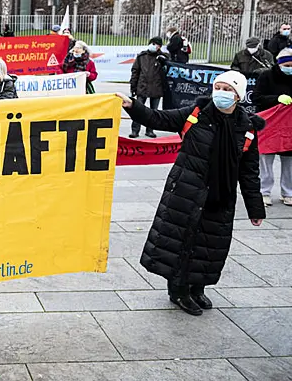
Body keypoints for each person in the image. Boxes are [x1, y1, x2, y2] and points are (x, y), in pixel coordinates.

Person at [116, 71, 265, 316]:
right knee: (182, 240)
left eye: (228, 89)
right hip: (186, 192)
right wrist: (133, 105)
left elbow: (249, 171)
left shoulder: (247, 127)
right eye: (218, 87)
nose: (221, 93)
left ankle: (198, 288)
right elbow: (157, 118)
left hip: (221, 196)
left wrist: (255, 208)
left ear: (238, 95)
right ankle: (178, 291)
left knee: (210, 244)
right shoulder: (195, 114)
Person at [253, 47, 292, 206]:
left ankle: (288, 192)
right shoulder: (266, 76)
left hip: (289, 126)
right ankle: (264, 191)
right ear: (280, 64)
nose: (290, 69)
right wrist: (277, 99)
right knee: (266, 159)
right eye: (287, 65)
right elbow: (257, 98)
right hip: (269, 124)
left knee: (289, 162)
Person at [129, 37, 169, 138]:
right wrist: (133, 87)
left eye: (157, 44)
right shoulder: (142, 56)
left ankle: (150, 130)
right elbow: (135, 71)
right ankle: (135, 130)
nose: (154, 46)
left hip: (157, 88)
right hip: (142, 87)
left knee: (153, 111)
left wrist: (163, 59)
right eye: (153, 43)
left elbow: (169, 68)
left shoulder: (162, 57)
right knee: (138, 110)